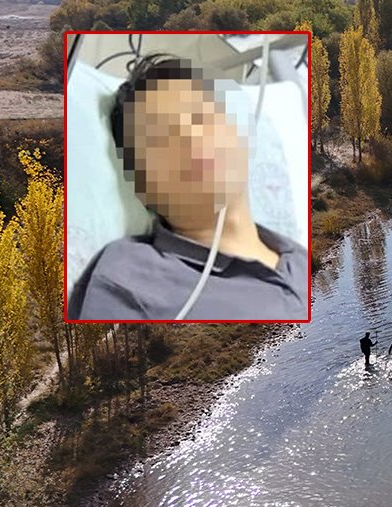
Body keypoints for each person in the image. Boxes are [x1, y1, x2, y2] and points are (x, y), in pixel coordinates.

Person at [68, 53, 308, 321]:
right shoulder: (128, 277)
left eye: (201, 116)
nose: (190, 137)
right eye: (159, 137)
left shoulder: (302, 259)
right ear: (141, 187)